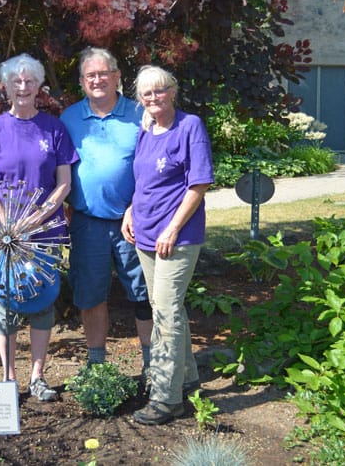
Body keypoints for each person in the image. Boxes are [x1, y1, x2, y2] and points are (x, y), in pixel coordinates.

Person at [0, 53, 78, 402]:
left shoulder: (54, 128)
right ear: (5, 86)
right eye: (16, 81)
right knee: (6, 304)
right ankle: (8, 379)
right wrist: (7, 223)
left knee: (43, 302)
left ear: (39, 86)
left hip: (45, 232)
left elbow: (64, 183)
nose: (23, 87)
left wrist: (38, 217)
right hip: (4, 236)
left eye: (30, 81)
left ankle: (37, 378)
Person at [121, 65, 214, 425]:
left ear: (173, 91)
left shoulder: (190, 126)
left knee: (165, 313)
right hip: (145, 234)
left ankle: (166, 397)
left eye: (160, 90)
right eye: (147, 93)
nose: (154, 98)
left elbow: (199, 183)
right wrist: (130, 210)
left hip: (176, 237)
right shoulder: (146, 130)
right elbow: (144, 181)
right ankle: (187, 379)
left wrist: (173, 228)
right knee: (166, 307)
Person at [60, 47, 153, 376]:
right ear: (81, 82)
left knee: (144, 294)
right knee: (90, 295)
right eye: (90, 75)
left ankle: (152, 366)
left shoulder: (141, 114)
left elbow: (154, 169)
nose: (97, 80)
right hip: (87, 223)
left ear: (117, 77)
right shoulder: (70, 118)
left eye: (103, 73)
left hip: (135, 220)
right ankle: (97, 367)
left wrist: (136, 207)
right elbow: (59, 167)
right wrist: (63, 204)